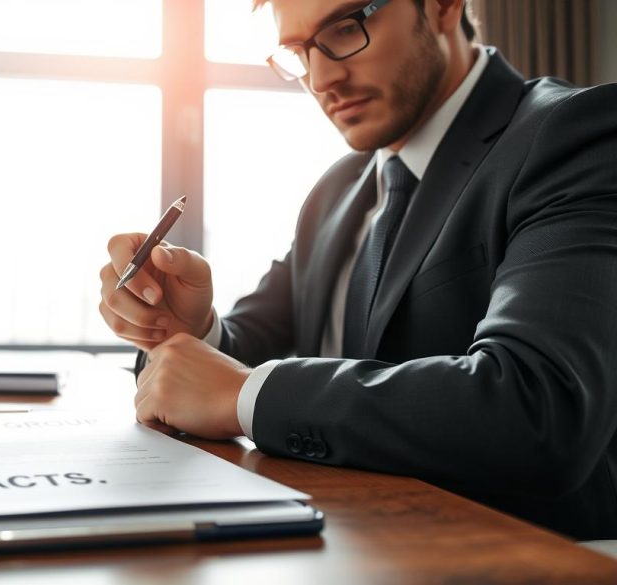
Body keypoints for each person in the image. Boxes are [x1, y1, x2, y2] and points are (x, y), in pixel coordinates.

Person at [99, 0, 617, 540]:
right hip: (353, 539)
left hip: (524, 555)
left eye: (346, 28)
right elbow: (249, 348)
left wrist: (245, 395)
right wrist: (190, 331)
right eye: (298, 53)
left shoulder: (570, 134)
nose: (322, 79)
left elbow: (539, 408)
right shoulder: (339, 188)